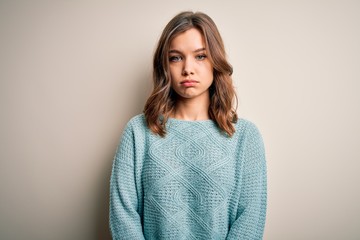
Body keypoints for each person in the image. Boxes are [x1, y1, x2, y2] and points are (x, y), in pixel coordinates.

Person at [109, 11, 267, 240]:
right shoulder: (138, 132)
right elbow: (123, 216)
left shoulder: (245, 137)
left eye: (200, 56)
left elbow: (250, 221)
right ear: (165, 66)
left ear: (216, 60)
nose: (187, 69)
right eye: (176, 57)